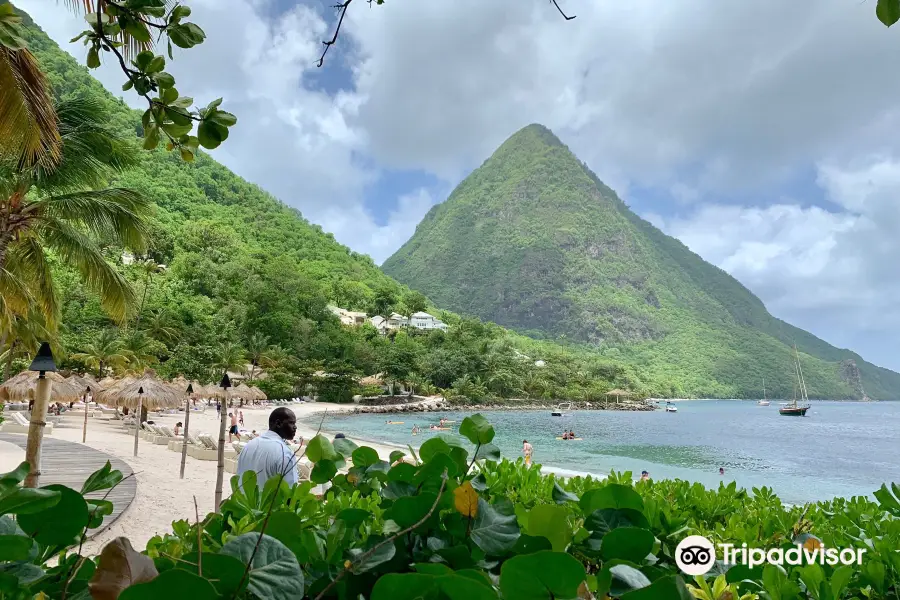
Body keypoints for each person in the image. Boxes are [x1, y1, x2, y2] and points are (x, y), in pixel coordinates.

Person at [237, 407, 299, 491]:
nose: (295, 427)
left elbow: (239, 478)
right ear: (278, 423)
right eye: (291, 423)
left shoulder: (248, 446)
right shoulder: (284, 453)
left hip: (244, 503)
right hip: (270, 504)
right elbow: (290, 492)